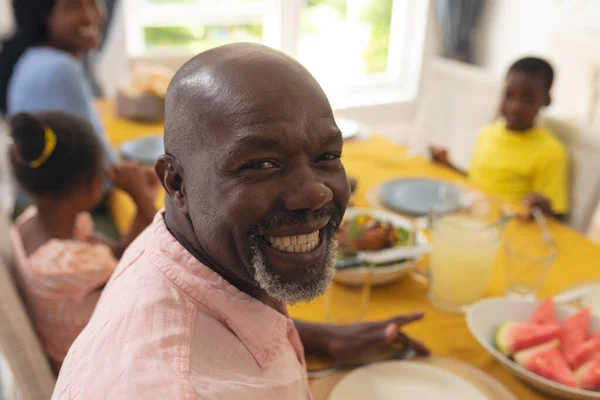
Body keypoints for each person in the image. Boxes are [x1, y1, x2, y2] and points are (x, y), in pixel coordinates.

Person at [52, 43, 428, 399]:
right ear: (176, 183)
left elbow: (225, 317)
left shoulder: (172, 243)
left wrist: (326, 338)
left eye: (328, 155)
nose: (317, 194)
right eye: (262, 164)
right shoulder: (175, 386)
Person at [8, 111, 158, 373]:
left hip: (67, 350)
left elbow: (121, 250)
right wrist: (139, 195)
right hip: (90, 367)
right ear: (87, 186)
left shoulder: (28, 225)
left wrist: (141, 196)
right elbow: (161, 252)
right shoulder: (70, 263)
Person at [430, 57, 569, 219]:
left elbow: (559, 218)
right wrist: (448, 164)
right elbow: (478, 182)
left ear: (547, 101)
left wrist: (544, 208)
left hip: (507, 226)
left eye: (527, 99)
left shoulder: (551, 152)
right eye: (509, 95)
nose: (515, 106)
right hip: (469, 216)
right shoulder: (487, 132)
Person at [0, 0, 117, 167]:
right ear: (42, 15)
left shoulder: (34, 57)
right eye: (73, 6)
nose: (90, 16)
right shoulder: (60, 69)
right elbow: (103, 168)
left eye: (94, 2)